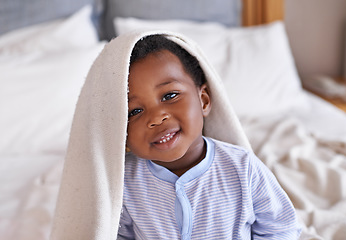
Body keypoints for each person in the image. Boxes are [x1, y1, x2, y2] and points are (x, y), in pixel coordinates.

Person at [118, 34, 301, 239]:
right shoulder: (122, 182)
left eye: (169, 96)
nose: (156, 117)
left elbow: (280, 228)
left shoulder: (242, 168)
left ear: (203, 101)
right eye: (134, 111)